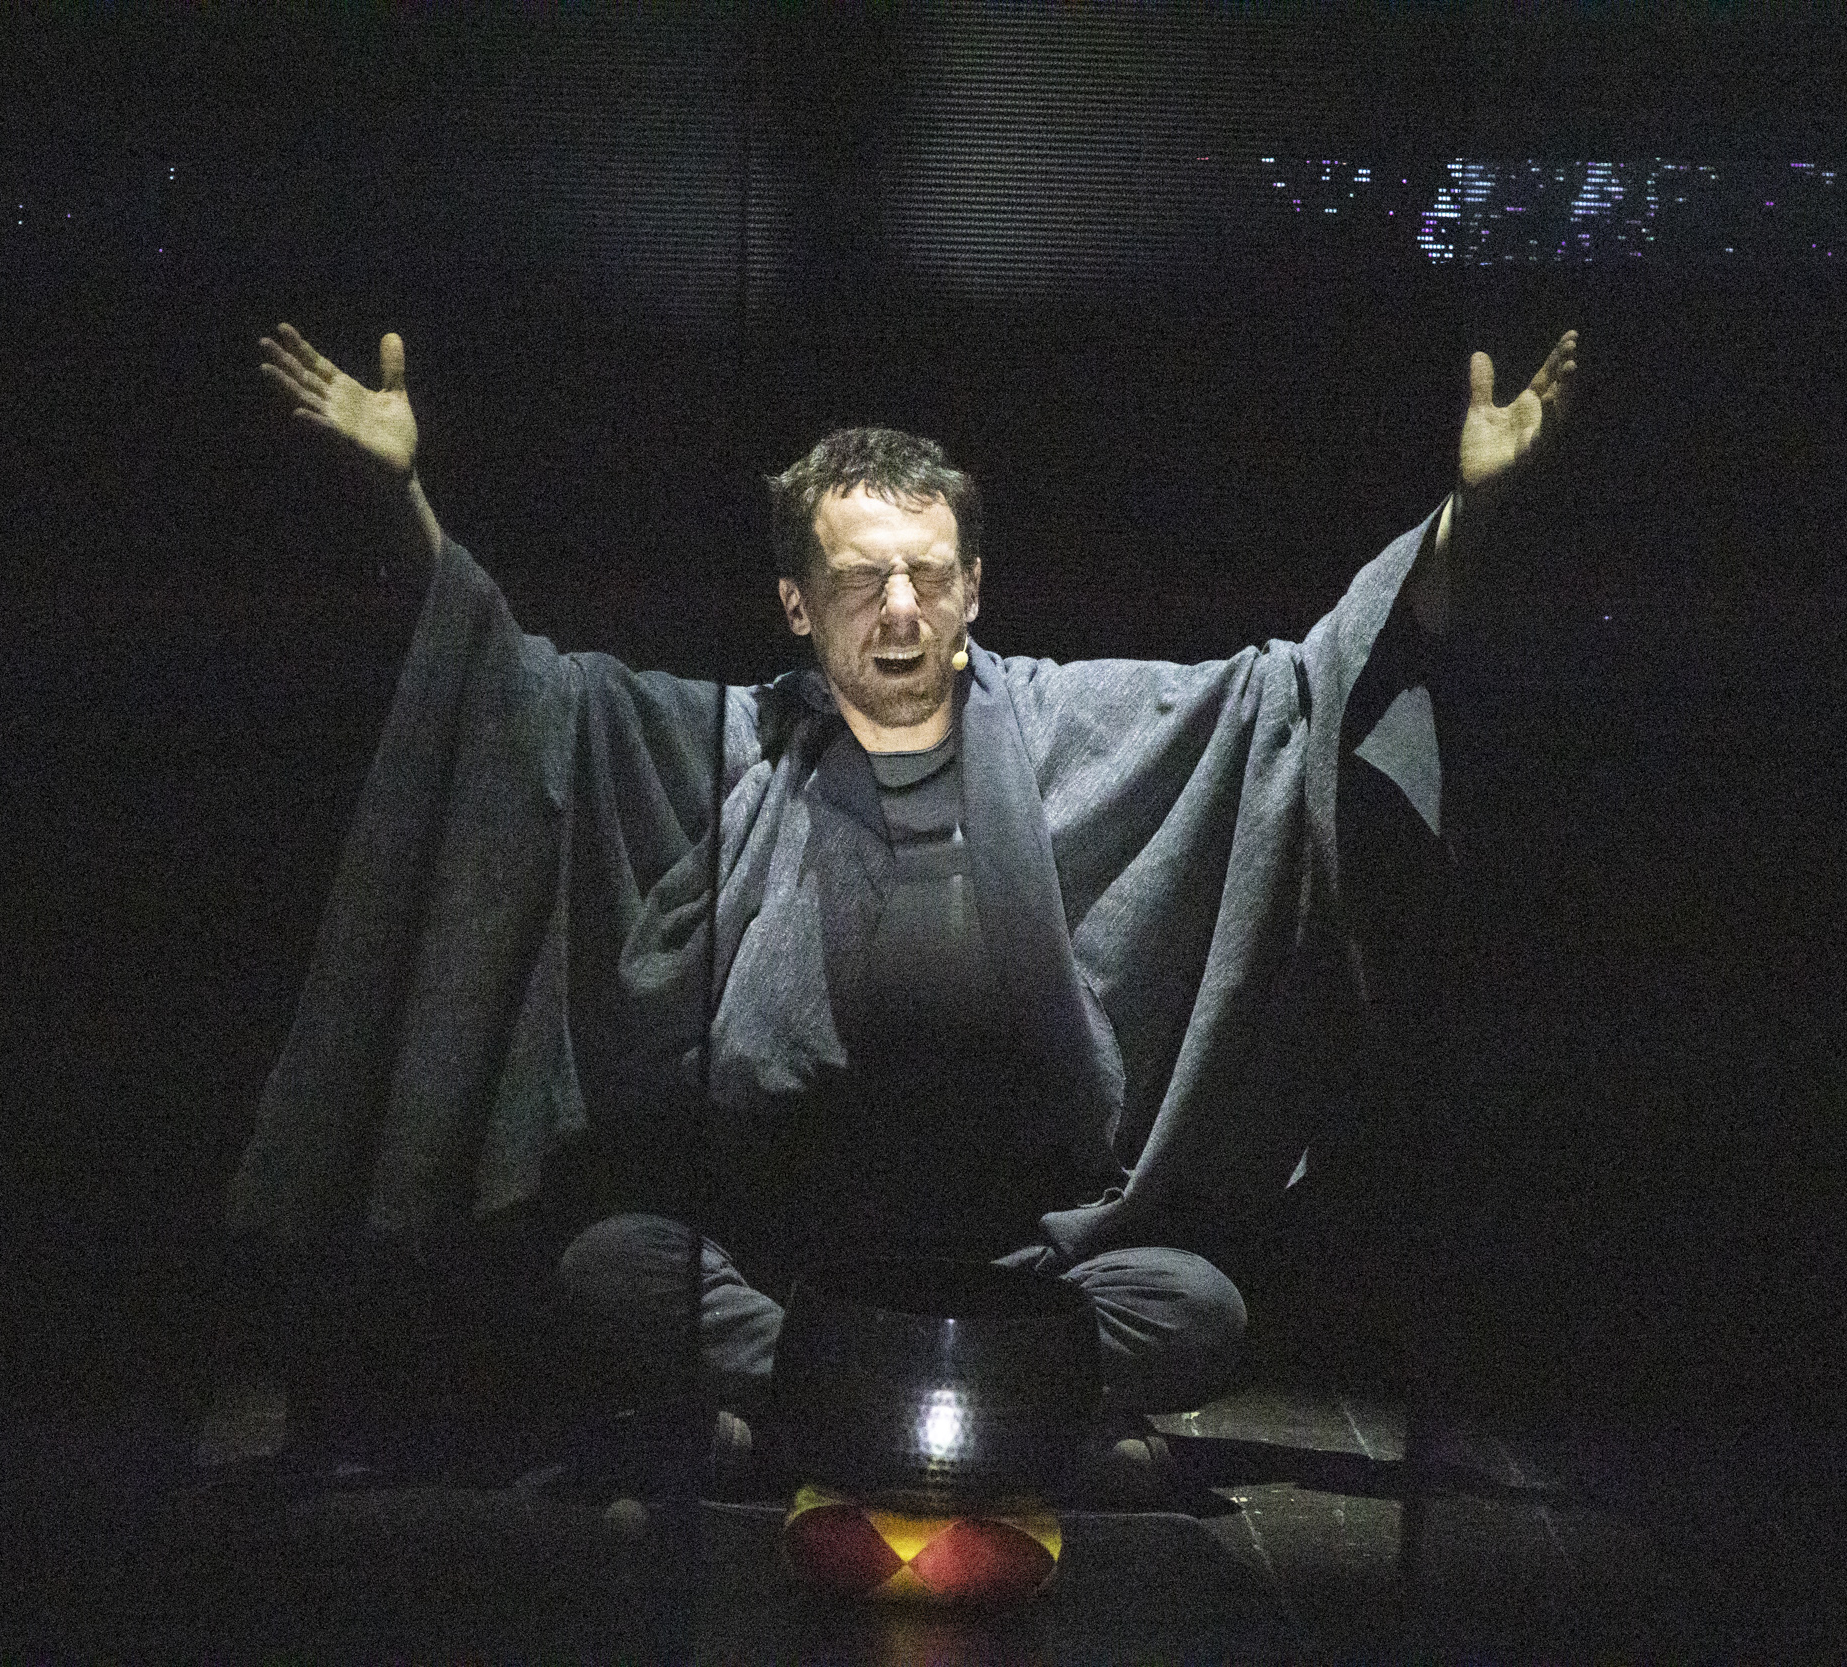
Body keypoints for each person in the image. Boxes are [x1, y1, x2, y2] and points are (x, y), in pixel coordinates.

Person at [212, 320, 1578, 1466]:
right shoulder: (730, 743)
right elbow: (518, 701)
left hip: (1013, 1265)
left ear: (974, 589)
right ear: (799, 605)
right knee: (612, 1268)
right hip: (783, 1260)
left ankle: (805, 1427)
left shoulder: (1074, 735)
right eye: (863, 580)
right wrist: (399, 500)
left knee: (1195, 1306)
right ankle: (994, 1429)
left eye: (929, 576)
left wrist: (1467, 522)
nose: (902, 610)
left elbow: (1301, 693)